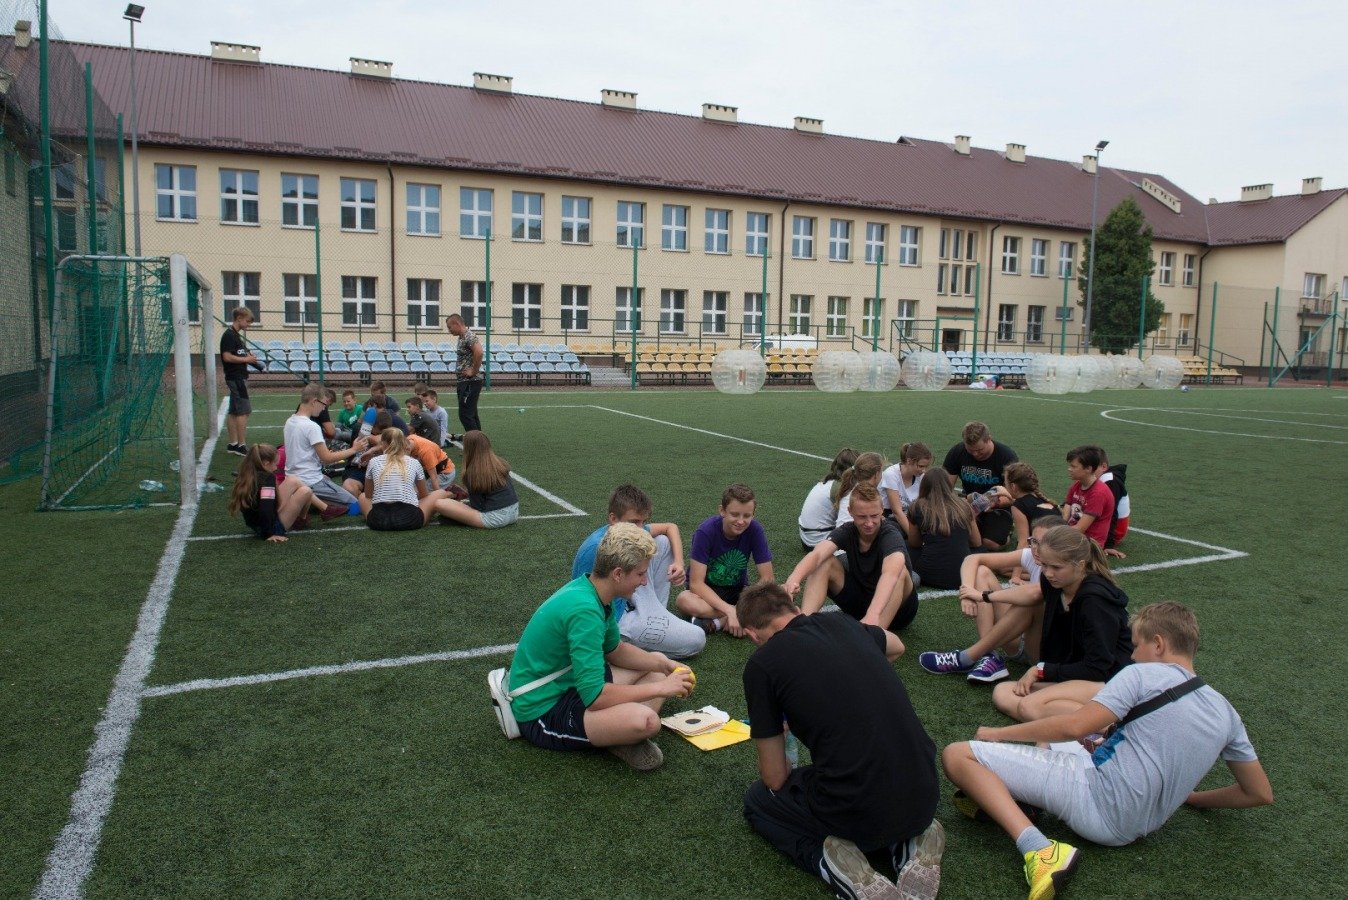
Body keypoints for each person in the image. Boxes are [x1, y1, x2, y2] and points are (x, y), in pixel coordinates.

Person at [942, 602, 1272, 900]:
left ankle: (1040, 851)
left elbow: (1074, 726)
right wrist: (1194, 798)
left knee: (958, 755)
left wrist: (999, 733)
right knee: (1062, 741)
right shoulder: (1226, 711)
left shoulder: (1142, 674)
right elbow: (1258, 793)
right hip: (1140, 827)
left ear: (1158, 644)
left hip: (1098, 802)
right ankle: (1027, 800)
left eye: (1137, 645)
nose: (1133, 655)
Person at [740, 581, 944, 900]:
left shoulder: (762, 665)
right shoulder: (845, 622)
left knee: (759, 800)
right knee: (866, 775)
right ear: (794, 608)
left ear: (753, 635)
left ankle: (830, 863)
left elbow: (775, 777)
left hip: (855, 809)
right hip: (924, 789)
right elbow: (896, 646)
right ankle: (910, 842)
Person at [509, 523, 695, 771]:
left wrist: (663, 664)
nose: (643, 582)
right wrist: (662, 688)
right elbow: (595, 696)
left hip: (568, 686)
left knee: (658, 666)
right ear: (618, 574)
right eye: (640, 574)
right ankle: (616, 734)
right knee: (648, 722)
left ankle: (613, 731)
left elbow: (616, 651)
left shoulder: (594, 591)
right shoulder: (585, 611)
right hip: (541, 709)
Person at [992, 526, 1133, 723]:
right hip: (1079, 678)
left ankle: (1103, 725)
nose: (1048, 573)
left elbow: (1099, 667)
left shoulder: (1095, 601)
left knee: (1027, 705)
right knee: (1003, 692)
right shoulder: (1054, 584)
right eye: (1044, 565)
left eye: (1056, 567)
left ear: (1081, 565)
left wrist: (1042, 670)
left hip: (1110, 681)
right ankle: (1091, 723)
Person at [918, 515, 1066, 684]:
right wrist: (967, 593)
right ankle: (989, 656)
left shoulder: (1065, 571)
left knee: (1033, 599)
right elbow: (973, 559)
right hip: (1018, 641)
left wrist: (983, 596)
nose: (1037, 549)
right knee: (982, 572)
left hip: (1045, 654)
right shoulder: (1032, 556)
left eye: (1044, 543)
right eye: (1034, 541)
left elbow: (1035, 593)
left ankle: (970, 656)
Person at [572, 485, 705, 659]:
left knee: (662, 542)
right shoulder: (597, 549)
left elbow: (670, 527)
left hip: (629, 596)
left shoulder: (628, 534)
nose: (641, 528)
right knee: (697, 638)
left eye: (643, 522)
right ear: (613, 519)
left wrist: (679, 562)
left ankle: (657, 611)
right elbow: (587, 603)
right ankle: (629, 638)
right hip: (616, 618)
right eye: (634, 522)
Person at [788, 483, 919, 631]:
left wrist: (873, 614)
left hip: (897, 612)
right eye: (862, 517)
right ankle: (803, 626)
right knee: (824, 561)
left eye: (874, 516)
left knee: (899, 571)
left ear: (882, 509)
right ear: (850, 512)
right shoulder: (848, 531)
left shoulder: (890, 535)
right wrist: (793, 579)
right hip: (861, 604)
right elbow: (817, 555)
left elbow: (890, 574)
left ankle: (872, 634)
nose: (869, 523)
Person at [674, 484, 774, 638]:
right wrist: (732, 611)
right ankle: (740, 617)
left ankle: (717, 623)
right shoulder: (705, 531)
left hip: (737, 591)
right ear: (722, 511)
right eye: (735, 514)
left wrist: (743, 603)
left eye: (747, 516)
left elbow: (767, 578)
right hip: (705, 593)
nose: (741, 521)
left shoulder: (755, 530)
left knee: (774, 596)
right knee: (683, 600)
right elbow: (696, 584)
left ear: (753, 514)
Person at [283, 383, 370, 516]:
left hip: (293, 478)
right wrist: (354, 449)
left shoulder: (290, 421)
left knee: (328, 480)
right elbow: (327, 458)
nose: (324, 408)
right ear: (314, 401)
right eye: (324, 404)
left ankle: (307, 498)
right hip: (310, 480)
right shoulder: (311, 426)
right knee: (355, 506)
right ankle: (309, 500)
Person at [943, 421, 1019, 550]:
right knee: (955, 537)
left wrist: (992, 503)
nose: (975, 454)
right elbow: (945, 486)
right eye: (970, 450)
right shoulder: (957, 452)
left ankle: (1007, 531)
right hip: (969, 502)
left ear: (989, 439)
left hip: (998, 506)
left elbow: (1014, 495)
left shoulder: (1006, 456)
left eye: (979, 450)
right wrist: (957, 504)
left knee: (990, 543)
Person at [906, 468, 981, 590]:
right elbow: (977, 542)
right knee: (980, 550)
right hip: (965, 574)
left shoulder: (917, 507)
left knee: (906, 547)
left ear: (924, 486)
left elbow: (914, 543)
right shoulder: (964, 505)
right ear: (948, 485)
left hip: (928, 575)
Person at [227, 443, 318, 542]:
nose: (276, 468)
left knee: (292, 480)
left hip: (255, 523)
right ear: (266, 463)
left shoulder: (247, 473)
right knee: (306, 491)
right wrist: (269, 534)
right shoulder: (267, 478)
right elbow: (266, 507)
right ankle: (301, 519)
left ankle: (302, 519)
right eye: (275, 464)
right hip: (270, 527)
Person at [363, 428, 447, 530]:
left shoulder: (373, 461)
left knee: (362, 496)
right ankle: (452, 494)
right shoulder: (414, 462)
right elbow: (424, 495)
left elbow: (368, 495)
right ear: (403, 443)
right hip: (410, 520)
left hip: (378, 521)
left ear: (383, 444)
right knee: (440, 493)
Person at [435, 430, 518, 528]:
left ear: (468, 449)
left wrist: (461, 507)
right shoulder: (499, 463)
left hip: (492, 518)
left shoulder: (473, 472)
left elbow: (478, 507)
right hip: (514, 513)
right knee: (454, 505)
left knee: (439, 503)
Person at [798, 447, 858, 549]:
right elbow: (848, 521)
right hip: (819, 540)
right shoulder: (842, 488)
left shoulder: (827, 482)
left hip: (806, 538)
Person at [219, 306, 258, 456]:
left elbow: (237, 353)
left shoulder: (235, 335)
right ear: (239, 319)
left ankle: (233, 444)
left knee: (234, 411)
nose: (248, 325)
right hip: (236, 378)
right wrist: (246, 359)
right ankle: (241, 446)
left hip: (237, 377)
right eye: (247, 321)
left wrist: (247, 356)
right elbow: (227, 357)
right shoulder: (229, 335)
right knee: (244, 411)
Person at [1062, 445, 1115, 548]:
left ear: (1088, 469)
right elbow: (1066, 512)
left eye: (1073, 466)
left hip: (1088, 545)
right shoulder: (1077, 485)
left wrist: (1055, 532)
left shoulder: (1098, 493)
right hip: (1074, 538)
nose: (1069, 469)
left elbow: (1080, 528)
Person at [1003, 462, 1059, 551]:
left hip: (1047, 552)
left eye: (1005, 483)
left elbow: (1023, 543)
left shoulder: (1018, 505)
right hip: (1062, 549)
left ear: (1013, 486)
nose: (1004, 486)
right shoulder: (1045, 501)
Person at [880, 441, 932, 535]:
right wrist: (914, 537)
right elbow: (897, 512)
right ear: (909, 461)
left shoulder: (921, 476)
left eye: (926, 466)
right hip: (889, 517)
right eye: (920, 466)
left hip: (909, 516)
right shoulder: (891, 474)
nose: (924, 470)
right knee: (895, 532)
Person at [445, 313, 483, 439]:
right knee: (471, 414)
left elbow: (479, 352)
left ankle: (475, 444)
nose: (449, 330)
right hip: (465, 381)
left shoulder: (468, 336)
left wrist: (473, 371)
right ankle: (479, 442)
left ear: (456, 324)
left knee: (465, 414)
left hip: (470, 381)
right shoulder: (462, 337)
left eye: (450, 327)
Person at [833, 451, 888, 525]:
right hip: (852, 531)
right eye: (881, 471)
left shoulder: (854, 488)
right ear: (877, 474)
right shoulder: (863, 493)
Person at [1099, 451, 1130, 559]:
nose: (1070, 469)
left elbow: (1111, 512)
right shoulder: (1089, 477)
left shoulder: (1110, 481)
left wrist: (1108, 544)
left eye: (1074, 466)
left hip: (1114, 530)